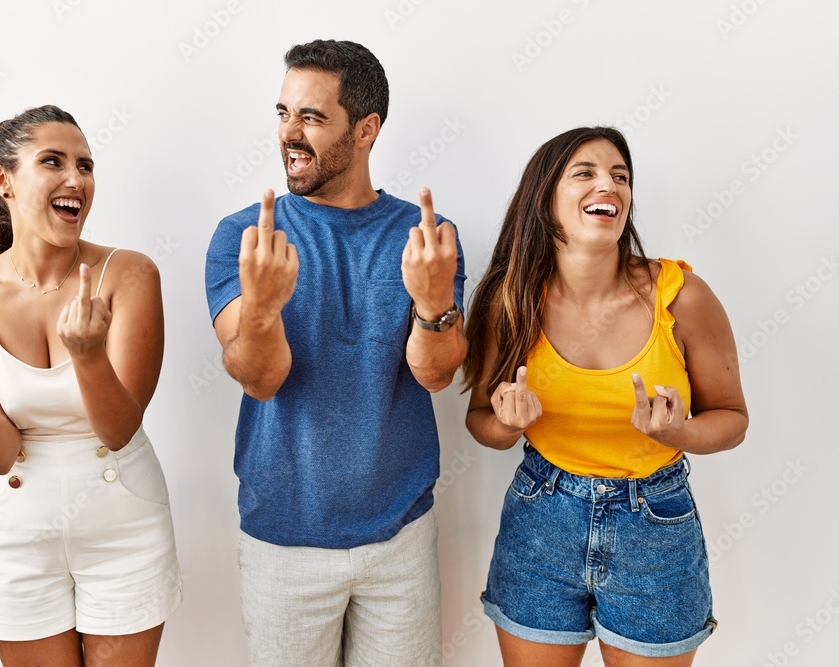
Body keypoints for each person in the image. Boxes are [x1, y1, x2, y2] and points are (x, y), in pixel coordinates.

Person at [205, 40, 466, 666]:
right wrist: (263, 310)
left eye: (312, 118)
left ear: (366, 129)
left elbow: (435, 373)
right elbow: (259, 379)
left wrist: (433, 304)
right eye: (283, 112)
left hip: (399, 538)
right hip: (285, 542)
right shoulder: (244, 238)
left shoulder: (426, 240)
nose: (289, 134)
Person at [0, 105, 181, 667]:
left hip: (125, 525)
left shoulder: (131, 274)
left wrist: (89, 356)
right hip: (16, 535)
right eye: (53, 162)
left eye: (86, 165)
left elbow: (119, 429)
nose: (77, 179)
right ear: (2, 180)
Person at [463, 126, 748, 666]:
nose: (610, 186)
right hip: (541, 519)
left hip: (656, 527)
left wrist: (679, 433)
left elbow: (733, 418)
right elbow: (482, 421)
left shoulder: (682, 297)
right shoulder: (511, 300)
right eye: (586, 174)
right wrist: (507, 423)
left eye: (621, 176)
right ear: (544, 199)